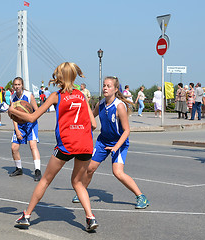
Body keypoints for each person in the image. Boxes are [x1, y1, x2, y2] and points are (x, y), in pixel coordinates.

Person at [9, 62, 99, 232]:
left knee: (45, 180)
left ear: (61, 77)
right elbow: (93, 124)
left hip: (67, 144)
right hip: (86, 143)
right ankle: (90, 218)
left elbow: (32, 117)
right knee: (78, 182)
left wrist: (13, 111)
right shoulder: (82, 95)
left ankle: (27, 216)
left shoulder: (56, 96)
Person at [72, 76, 149, 209]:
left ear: (115, 89)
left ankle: (141, 196)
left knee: (117, 172)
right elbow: (90, 117)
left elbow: (126, 131)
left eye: (108, 86)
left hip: (118, 142)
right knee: (90, 168)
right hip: (102, 141)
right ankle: (82, 191)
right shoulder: (100, 104)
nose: (105, 88)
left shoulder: (119, 106)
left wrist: (116, 147)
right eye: (104, 85)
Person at [9, 77, 42, 181]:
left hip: (30, 123)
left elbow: (37, 111)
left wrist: (30, 117)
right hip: (19, 124)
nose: (17, 86)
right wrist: (17, 130)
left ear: (22, 85)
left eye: (19, 84)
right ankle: (19, 168)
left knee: (32, 146)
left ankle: (37, 170)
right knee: (14, 148)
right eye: (15, 85)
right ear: (13, 86)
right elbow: (13, 115)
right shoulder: (12, 98)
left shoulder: (28, 95)